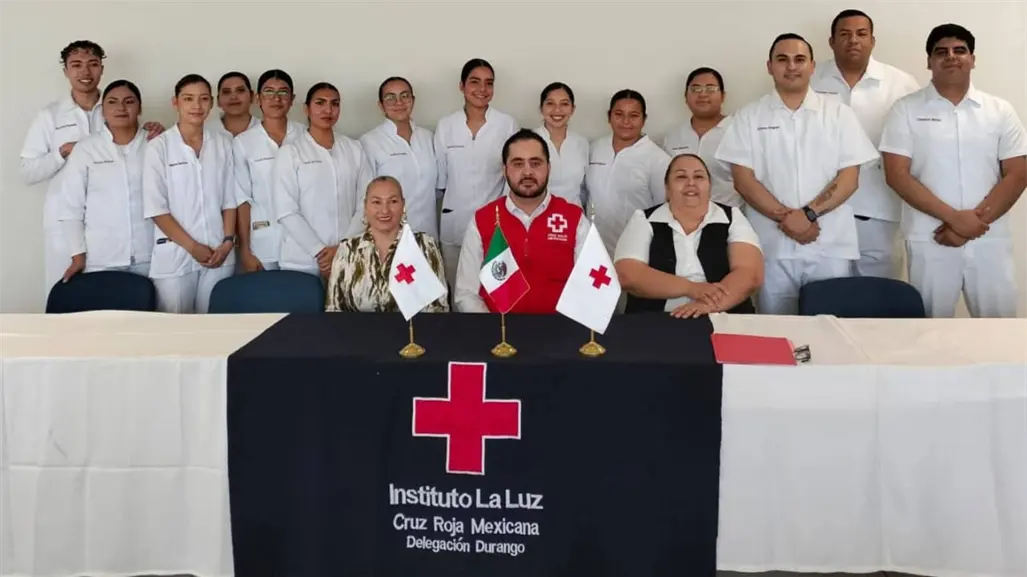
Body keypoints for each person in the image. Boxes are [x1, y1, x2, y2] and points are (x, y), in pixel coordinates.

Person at [716, 33, 878, 315]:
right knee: (776, 333)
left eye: (799, 59)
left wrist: (808, 215)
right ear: (769, 66)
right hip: (772, 245)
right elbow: (743, 179)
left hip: (830, 245)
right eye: (782, 59)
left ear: (812, 66)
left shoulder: (838, 113)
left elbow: (849, 178)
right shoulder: (749, 116)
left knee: (831, 331)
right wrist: (788, 219)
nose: (791, 66)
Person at [880, 24, 1027, 318]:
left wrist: (972, 223)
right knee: (929, 331)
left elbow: (1018, 173)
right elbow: (897, 174)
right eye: (941, 52)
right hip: (931, 237)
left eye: (960, 50)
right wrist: (954, 219)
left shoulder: (999, 110)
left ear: (972, 59)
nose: (951, 57)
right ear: (929, 62)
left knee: (1000, 330)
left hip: (989, 237)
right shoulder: (905, 109)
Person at [20, 40, 163, 300]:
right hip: (64, 225)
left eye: (93, 64)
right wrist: (62, 152)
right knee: (68, 298)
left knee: (133, 297)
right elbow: (27, 171)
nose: (85, 72)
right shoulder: (50, 116)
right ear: (66, 71)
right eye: (76, 65)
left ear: (101, 68)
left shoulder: (115, 105)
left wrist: (157, 134)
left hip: (120, 227)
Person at [811, 9, 921, 279]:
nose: (853, 40)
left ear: (873, 40)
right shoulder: (811, 80)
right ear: (831, 41)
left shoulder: (901, 84)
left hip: (880, 210)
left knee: (879, 300)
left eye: (861, 34)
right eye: (845, 34)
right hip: (819, 208)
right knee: (826, 295)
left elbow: (918, 146)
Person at [454, 129, 589, 313]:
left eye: (535, 163)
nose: (527, 172)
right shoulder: (482, 220)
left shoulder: (574, 219)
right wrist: (495, 331)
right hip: (498, 335)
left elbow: (589, 288)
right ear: (504, 170)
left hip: (560, 332)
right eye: (518, 164)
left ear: (549, 167)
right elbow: (467, 293)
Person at [615, 154, 763, 317]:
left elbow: (750, 273)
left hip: (721, 315)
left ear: (709, 186)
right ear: (667, 188)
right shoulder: (643, 219)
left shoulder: (732, 217)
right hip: (656, 319)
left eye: (699, 177)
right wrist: (691, 288)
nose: (691, 183)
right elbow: (628, 275)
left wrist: (708, 305)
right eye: (681, 177)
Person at [142, 74, 238, 314]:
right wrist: (192, 247)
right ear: (176, 102)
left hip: (219, 252)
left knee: (214, 328)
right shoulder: (159, 147)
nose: (197, 106)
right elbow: (156, 208)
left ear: (212, 103)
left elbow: (229, 199)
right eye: (189, 99)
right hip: (175, 254)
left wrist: (227, 243)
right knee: (176, 332)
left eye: (204, 99)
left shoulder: (222, 143)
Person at [273, 82, 374, 278]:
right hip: (301, 260)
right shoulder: (291, 152)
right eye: (320, 103)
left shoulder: (354, 149)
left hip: (347, 255)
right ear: (306, 109)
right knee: (304, 308)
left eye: (334, 104)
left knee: (344, 308)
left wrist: (343, 248)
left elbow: (366, 203)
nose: (328, 110)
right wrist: (320, 251)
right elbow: (286, 210)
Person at [55, 80, 153, 281]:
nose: (121, 108)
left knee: (151, 312)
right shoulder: (86, 149)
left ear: (140, 108)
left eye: (129, 101)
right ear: (103, 111)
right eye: (112, 102)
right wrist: (77, 256)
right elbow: (71, 207)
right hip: (101, 259)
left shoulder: (156, 144)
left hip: (152, 257)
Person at [434, 58, 519, 289]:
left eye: (488, 83)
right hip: (454, 223)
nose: (482, 89)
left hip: (495, 222)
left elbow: (512, 176)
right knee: (456, 288)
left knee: (494, 288)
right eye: (475, 82)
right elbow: (441, 181)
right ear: (461, 86)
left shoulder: (506, 124)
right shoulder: (446, 126)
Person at [325, 176, 448, 313]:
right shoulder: (347, 250)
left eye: (393, 201)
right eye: (376, 202)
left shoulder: (424, 246)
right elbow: (334, 309)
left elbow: (439, 308)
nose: (384, 210)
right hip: (358, 333)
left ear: (403, 205)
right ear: (365, 206)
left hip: (411, 333)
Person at [233, 69, 304, 272]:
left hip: (303, 242)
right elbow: (242, 199)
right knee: (266, 299)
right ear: (258, 98)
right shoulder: (244, 142)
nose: (276, 98)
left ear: (292, 99)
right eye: (269, 92)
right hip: (263, 242)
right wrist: (246, 249)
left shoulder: (305, 135)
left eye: (283, 92)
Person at [586, 89, 671, 258]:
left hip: (636, 249)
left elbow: (664, 210)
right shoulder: (594, 148)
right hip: (592, 246)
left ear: (644, 119)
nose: (626, 122)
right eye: (619, 114)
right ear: (609, 117)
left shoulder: (658, 159)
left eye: (633, 115)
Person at [359, 76, 439, 239]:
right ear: (380, 105)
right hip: (390, 239)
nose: (399, 103)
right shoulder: (370, 141)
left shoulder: (428, 137)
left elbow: (437, 190)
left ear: (413, 100)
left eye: (404, 96)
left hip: (428, 236)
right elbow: (365, 196)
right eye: (390, 98)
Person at [662, 67, 741, 207]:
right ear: (686, 97)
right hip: (681, 221)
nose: (703, 94)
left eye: (710, 89)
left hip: (728, 219)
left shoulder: (739, 132)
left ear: (723, 96)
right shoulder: (673, 137)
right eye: (696, 89)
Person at [534, 82, 589, 207]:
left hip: (574, 218)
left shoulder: (581, 143)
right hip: (537, 217)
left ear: (572, 109)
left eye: (564, 104)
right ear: (541, 108)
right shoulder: (528, 141)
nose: (557, 110)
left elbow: (584, 190)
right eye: (550, 103)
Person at [211, 71, 259, 138]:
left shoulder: (265, 130)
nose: (233, 97)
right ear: (218, 100)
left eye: (240, 90)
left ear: (251, 96)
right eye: (226, 92)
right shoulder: (206, 130)